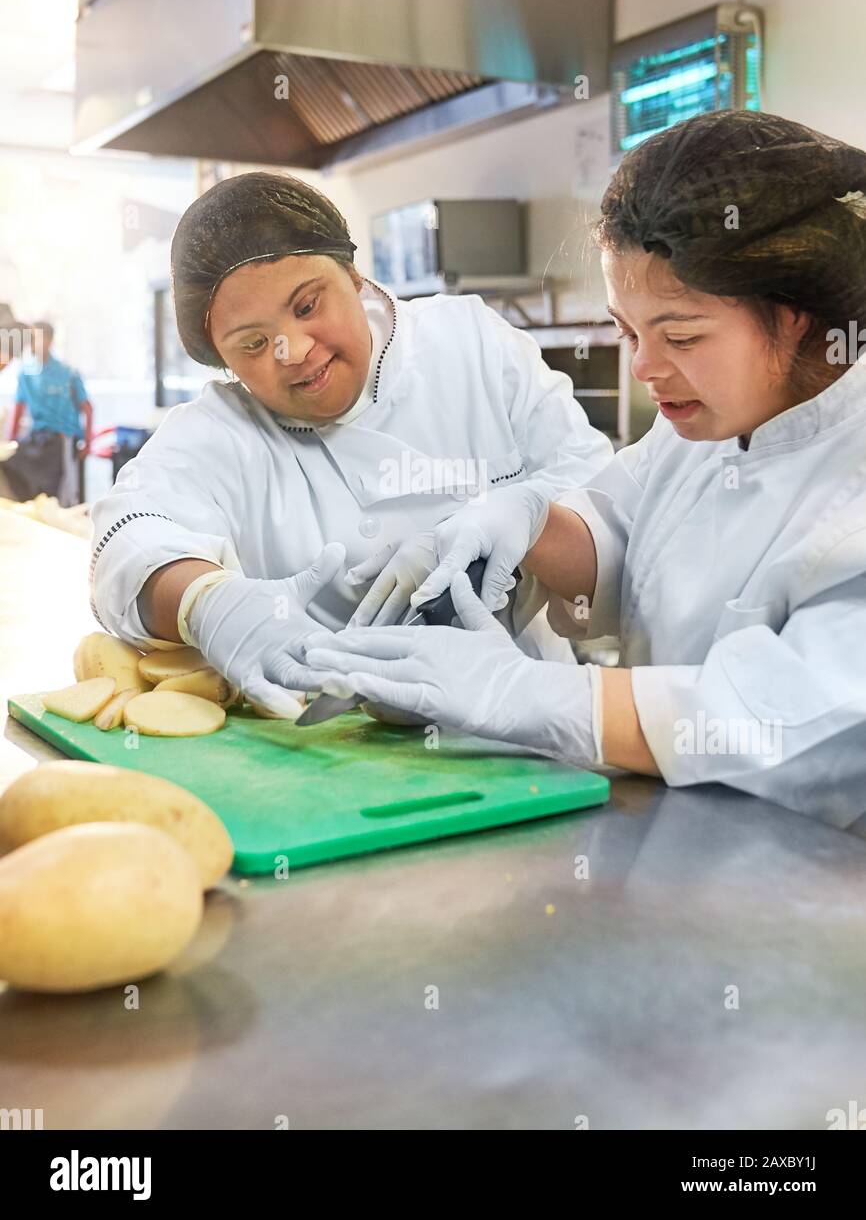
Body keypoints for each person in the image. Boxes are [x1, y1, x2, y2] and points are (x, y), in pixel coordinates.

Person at [305, 111, 866, 836]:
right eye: (627, 331)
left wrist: (535, 696)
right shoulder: (708, 423)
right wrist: (523, 526)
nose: (646, 368)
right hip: (678, 843)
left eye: (682, 335)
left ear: (793, 315)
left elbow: (804, 716)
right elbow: (626, 533)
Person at [88, 172, 612, 717]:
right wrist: (208, 603)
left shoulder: (471, 343)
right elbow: (126, 542)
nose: (293, 350)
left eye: (308, 306)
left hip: (532, 727)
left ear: (353, 274)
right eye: (254, 343)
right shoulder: (221, 429)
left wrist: (508, 532)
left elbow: (601, 498)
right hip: (327, 753)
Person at [6, 321, 92, 507]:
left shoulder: (67, 373)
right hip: (36, 439)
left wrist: (88, 441)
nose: (33, 342)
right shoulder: (25, 373)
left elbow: (87, 408)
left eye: (38, 337)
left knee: (62, 495)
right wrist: (9, 440)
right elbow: (18, 409)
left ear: (50, 340)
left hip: (62, 441)